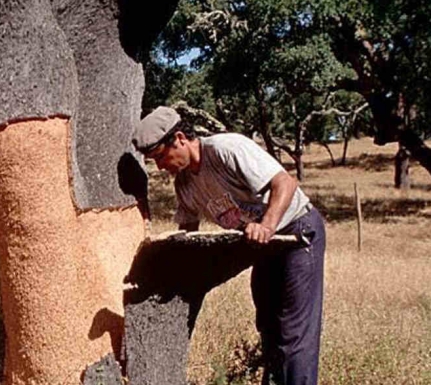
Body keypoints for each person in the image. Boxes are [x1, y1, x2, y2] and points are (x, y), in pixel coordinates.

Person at [132, 106, 326, 385]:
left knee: (293, 333)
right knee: (269, 327)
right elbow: (187, 234)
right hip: (263, 246)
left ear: (180, 139)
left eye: (160, 157)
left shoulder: (226, 149)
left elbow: (285, 183)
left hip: (297, 233)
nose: (161, 167)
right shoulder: (185, 185)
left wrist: (267, 225)